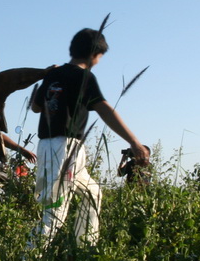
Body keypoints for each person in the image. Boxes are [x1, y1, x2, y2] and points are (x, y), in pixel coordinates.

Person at [29, 27, 149, 247]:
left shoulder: (53, 75)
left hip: (50, 146)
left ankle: (84, 247)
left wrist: (47, 82)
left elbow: (35, 107)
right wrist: (134, 142)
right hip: (65, 149)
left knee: (93, 194)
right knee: (55, 212)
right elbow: (104, 109)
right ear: (95, 54)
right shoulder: (84, 76)